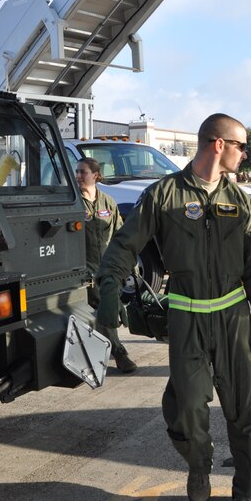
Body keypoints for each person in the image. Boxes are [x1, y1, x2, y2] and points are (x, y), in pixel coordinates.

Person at [95, 113, 251, 501]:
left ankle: (247, 490)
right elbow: (124, 245)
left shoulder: (240, 199)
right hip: (186, 318)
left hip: (232, 318)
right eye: (240, 146)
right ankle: (198, 467)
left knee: (247, 411)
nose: (244, 154)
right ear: (218, 144)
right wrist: (109, 290)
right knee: (186, 410)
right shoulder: (163, 195)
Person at [76, 158, 137, 373]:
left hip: (108, 267)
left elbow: (120, 235)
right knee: (105, 304)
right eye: (77, 172)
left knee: (109, 307)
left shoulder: (108, 203)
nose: (78, 176)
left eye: (83, 172)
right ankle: (120, 353)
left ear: (96, 175)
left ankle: (99, 350)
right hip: (85, 268)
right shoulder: (74, 203)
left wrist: (130, 263)